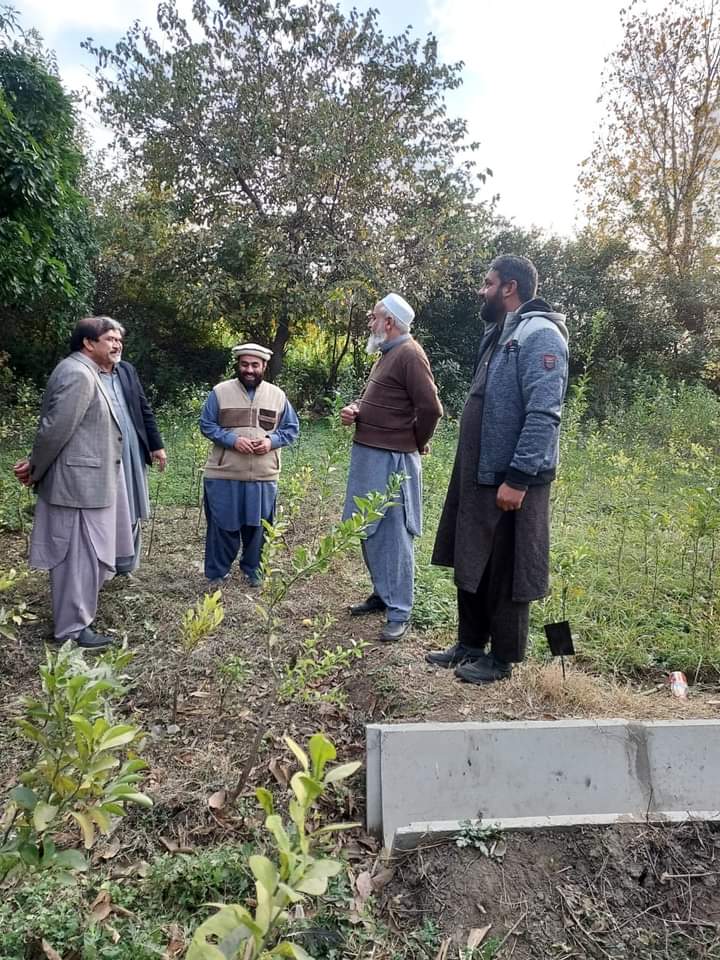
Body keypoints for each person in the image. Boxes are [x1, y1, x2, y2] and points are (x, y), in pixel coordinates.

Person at [427, 255, 569, 684]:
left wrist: (518, 478)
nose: (481, 290)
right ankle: (470, 643)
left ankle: (503, 657)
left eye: (487, 283)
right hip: (479, 475)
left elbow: (544, 413)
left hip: (512, 481)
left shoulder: (541, 334)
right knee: (473, 559)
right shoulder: (499, 332)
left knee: (508, 567)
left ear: (509, 287)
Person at [12, 316, 162, 648]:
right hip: (77, 485)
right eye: (109, 338)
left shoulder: (87, 371)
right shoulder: (78, 374)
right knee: (76, 558)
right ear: (88, 343)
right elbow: (54, 430)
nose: (117, 344)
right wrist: (35, 467)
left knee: (89, 555)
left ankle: (78, 620)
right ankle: (71, 630)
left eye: (119, 338)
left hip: (91, 482)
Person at [340, 293, 443, 641]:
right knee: (367, 526)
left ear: (389, 322)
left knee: (395, 534)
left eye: (373, 317)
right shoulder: (387, 354)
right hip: (370, 453)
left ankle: (400, 610)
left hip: (393, 460)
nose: (369, 322)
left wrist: (414, 441)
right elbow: (383, 400)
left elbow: (431, 408)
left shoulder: (410, 354)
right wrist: (357, 408)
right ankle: (383, 595)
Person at [199, 343, 299, 586]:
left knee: (259, 527)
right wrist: (232, 440)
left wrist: (271, 441)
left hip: (263, 475)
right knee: (222, 525)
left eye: (255, 365)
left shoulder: (277, 396)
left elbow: (291, 429)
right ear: (238, 365)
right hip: (224, 473)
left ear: (264, 366)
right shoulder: (220, 392)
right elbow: (207, 424)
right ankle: (216, 573)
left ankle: (254, 570)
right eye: (245, 364)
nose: (249, 370)